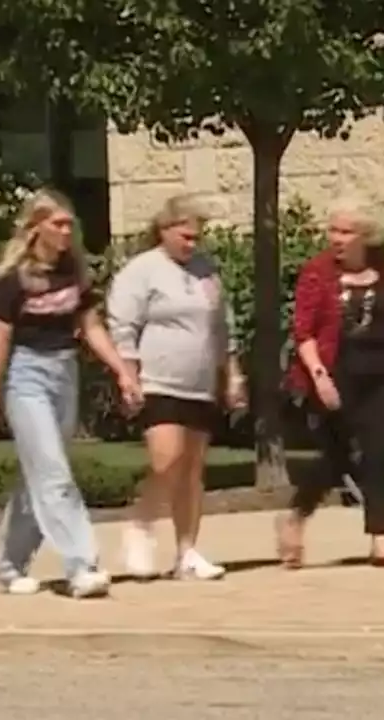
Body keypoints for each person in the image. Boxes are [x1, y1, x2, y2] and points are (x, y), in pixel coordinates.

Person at [0, 188, 141, 599]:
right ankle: (81, 564)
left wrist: (122, 371)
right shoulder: (11, 283)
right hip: (26, 377)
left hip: (65, 372)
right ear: (35, 229)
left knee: (39, 478)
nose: (66, 231)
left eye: (69, 224)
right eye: (57, 224)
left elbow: (91, 327)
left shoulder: (73, 273)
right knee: (54, 474)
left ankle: (9, 566)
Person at [106, 194, 247, 582]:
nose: (191, 243)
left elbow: (222, 327)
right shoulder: (142, 271)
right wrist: (128, 375)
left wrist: (232, 374)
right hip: (158, 381)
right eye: (185, 236)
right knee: (165, 462)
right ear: (164, 230)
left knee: (191, 469)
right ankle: (141, 523)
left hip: (199, 383)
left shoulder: (206, 272)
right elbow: (124, 326)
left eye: (196, 237)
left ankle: (187, 551)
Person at [276, 197, 384, 570]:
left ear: (365, 236)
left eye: (346, 231)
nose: (336, 238)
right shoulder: (317, 272)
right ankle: (297, 513)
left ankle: (381, 541)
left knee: (378, 452)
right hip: (334, 373)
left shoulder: (383, 268)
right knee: (337, 456)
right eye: (333, 230)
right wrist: (319, 378)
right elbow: (304, 332)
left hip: (379, 373)